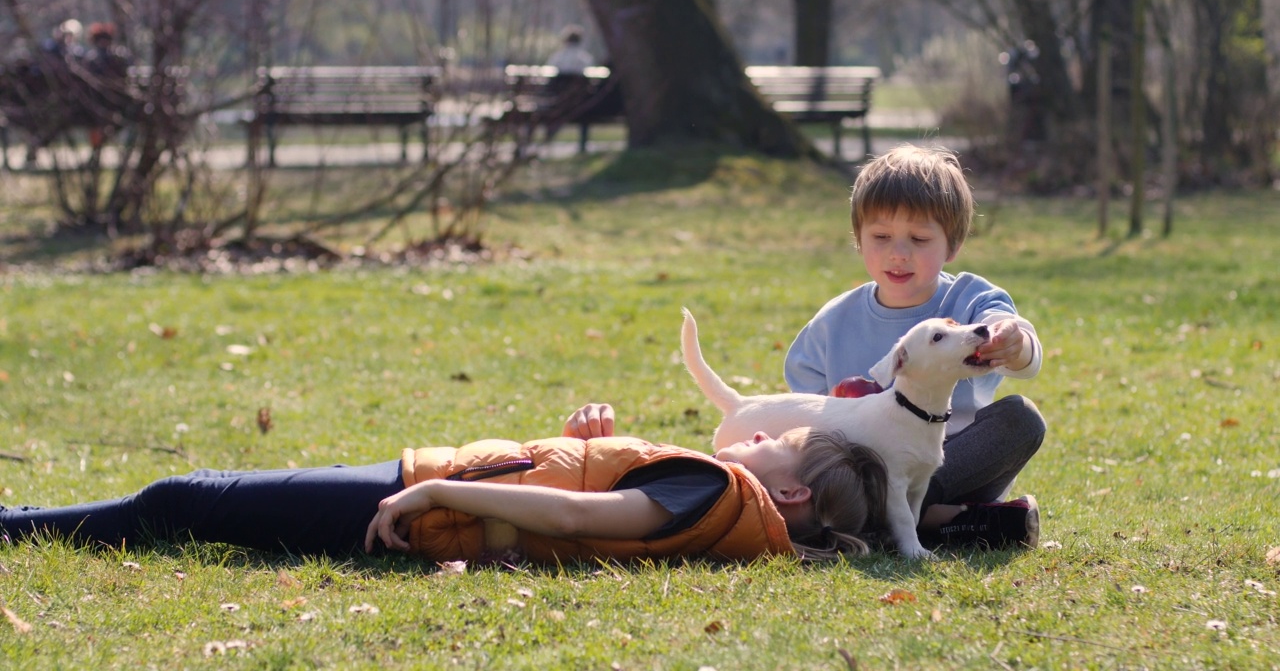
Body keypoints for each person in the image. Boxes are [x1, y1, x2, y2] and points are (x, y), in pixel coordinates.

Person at [1, 405, 888, 564]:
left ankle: (12, 526)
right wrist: (594, 437)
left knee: (184, 500)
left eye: (780, 445)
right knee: (197, 504)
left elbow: (579, 514)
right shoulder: (721, 508)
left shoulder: (720, 495)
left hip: (422, 504)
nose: (760, 438)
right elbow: (590, 488)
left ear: (797, 497)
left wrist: (440, 494)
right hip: (436, 506)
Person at [782, 144, 1047, 551]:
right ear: (859, 239)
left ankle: (915, 516)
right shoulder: (832, 324)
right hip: (865, 476)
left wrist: (1013, 343)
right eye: (881, 236)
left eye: (920, 238)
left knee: (1022, 419)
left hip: (957, 466)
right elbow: (804, 414)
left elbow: (1011, 337)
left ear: (952, 245)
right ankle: (959, 525)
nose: (899, 253)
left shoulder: (968, 297)